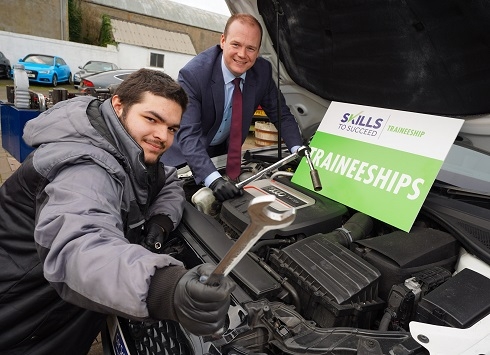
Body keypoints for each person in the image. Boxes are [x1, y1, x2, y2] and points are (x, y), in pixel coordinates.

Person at [0, 68, 235, 354]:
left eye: (172, 128)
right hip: (25, 320)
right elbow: (78, 248)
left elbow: (169, 180)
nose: (162, 136)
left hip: (63, 309)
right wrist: (166, 289)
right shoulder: (85, 166)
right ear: (118, 105)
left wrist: (158, 225)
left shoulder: (120, 143)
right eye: (151, 119)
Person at [161, 13, 304, 201]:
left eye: (251, 48)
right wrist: (213, 180)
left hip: (221, 153)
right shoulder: (193, 75)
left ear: (258, 50)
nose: (242, 55)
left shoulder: (262, 71)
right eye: (236, 44)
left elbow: (282, 115)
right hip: (183, 158)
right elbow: (189, 135)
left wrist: (298, 150)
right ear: (223, 41)